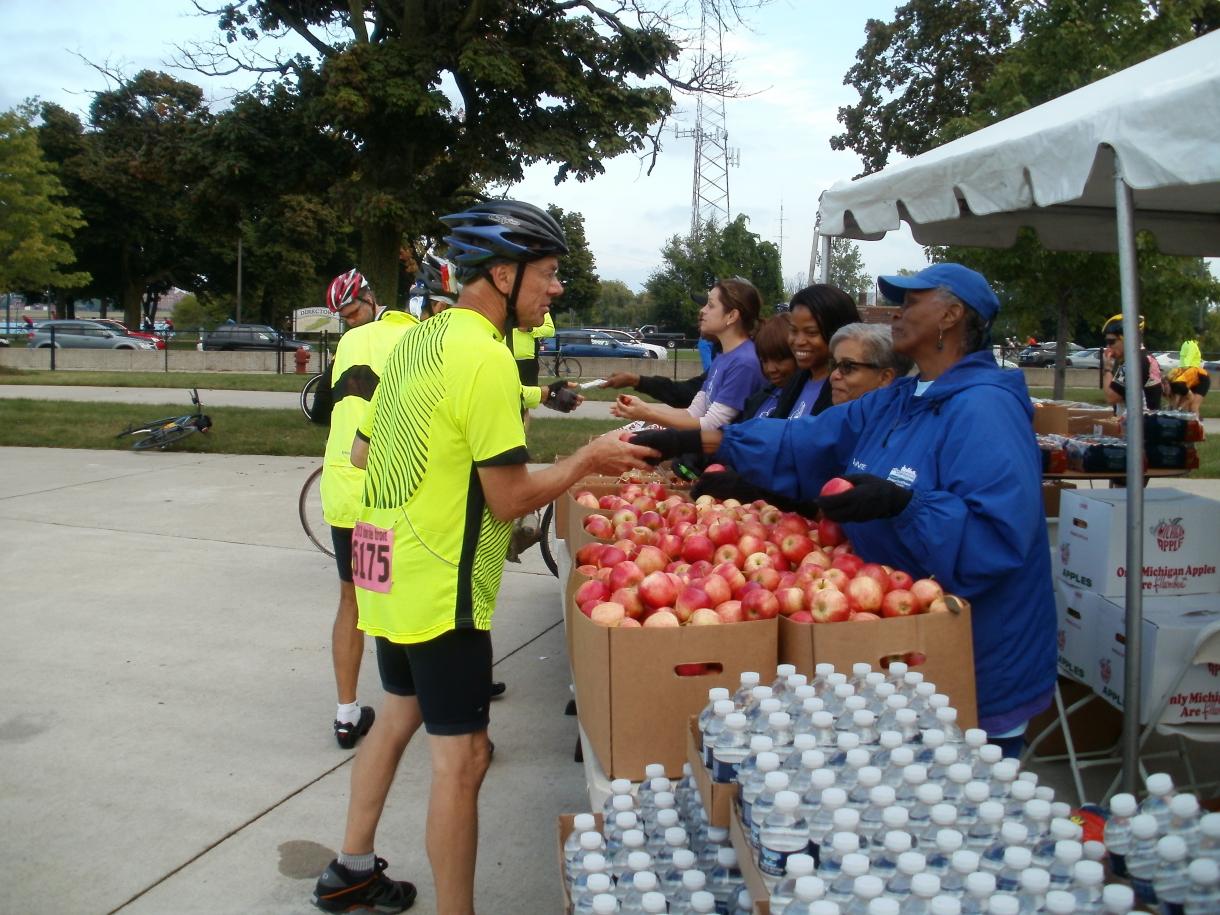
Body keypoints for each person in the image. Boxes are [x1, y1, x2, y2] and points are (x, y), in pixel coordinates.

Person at [311, 200, 656, 915]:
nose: (555, 290)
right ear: (503, 272)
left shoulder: (415, 339)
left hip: (385, 562)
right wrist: (586, 458)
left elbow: (363, 448)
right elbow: (507, 497)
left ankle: (348, 866)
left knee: (398, 710)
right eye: (550, 274)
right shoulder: (487, 359)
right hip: (443, 586)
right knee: (462, 759)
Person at [636, 263, 1056, 756]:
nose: (896, 315)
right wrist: (697, 440)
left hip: (974, 660)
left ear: (952, 315)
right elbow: (807, 439)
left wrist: (905, 504)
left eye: (911, 303)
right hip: (904, 647)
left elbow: (996, 537)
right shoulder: (900, 398)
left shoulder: (985, 409)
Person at [317, 269, 419, 750]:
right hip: (387, 490)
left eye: (352, 313)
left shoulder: (346, 349)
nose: (348, 322)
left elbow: (323, 410)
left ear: (371, 299)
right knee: (401, 598)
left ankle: (347, 711)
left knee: (356, 599)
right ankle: (434, 707)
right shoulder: (416, 339)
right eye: (342, 317)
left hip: (342, 488)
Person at [692, 321, 907, 505]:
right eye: (835, 366)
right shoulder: (835, 420)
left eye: (847, 367)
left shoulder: (900, 436)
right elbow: (785, 444)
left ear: (885, 377)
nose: (834, 376)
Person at [609, 276, 766, 430]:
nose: (702, 311)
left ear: (732, 316)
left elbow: (710, 425)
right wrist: (643, 409)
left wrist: (648, 414)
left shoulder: (744, 363)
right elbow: (693, 413)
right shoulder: (723, 357)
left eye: (710, 305)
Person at [772, 284, 862, 419]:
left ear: (839, 332)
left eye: (811, 332)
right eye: (793, 330)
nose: (798, 341)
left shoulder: (848, 392)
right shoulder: (795, 380)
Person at [741, 315, 799, 420]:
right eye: (764, 361)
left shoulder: (801, 402)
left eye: (779, 359)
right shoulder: (758, 398)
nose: (770, 369)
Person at [1101, 313, 1162, 412]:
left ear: (1128, 339)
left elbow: (1111, 397)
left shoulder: (1134, 363)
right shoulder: (1142, 357)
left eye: (1111, 341)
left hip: (1139, 424)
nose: (1108, 346)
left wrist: (1107, 368)